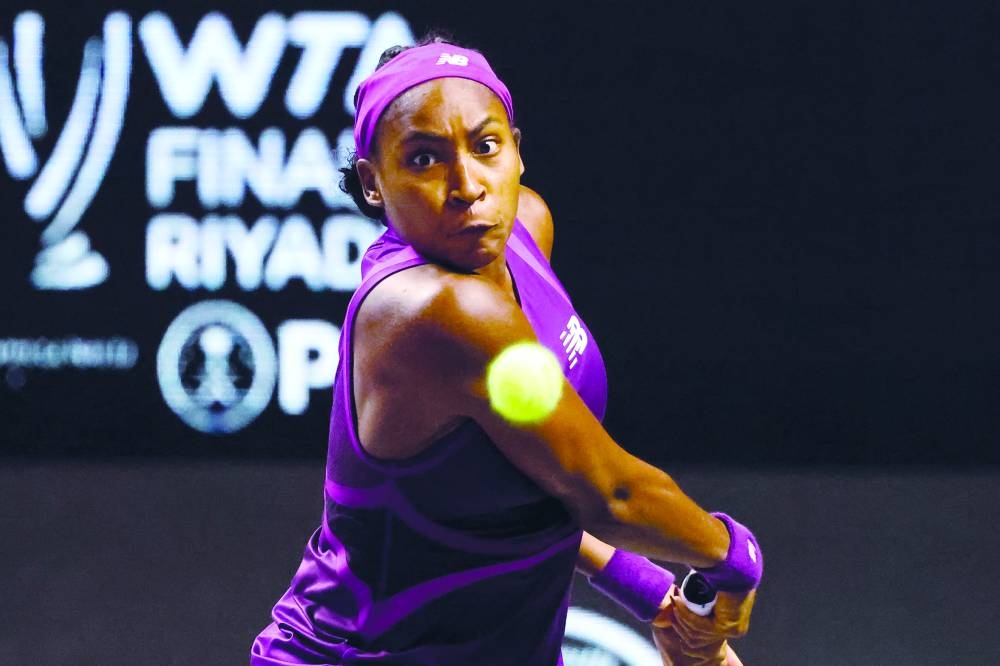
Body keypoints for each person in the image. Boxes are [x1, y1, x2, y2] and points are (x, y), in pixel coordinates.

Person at [251, 33, 762, 665]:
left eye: (485, 146)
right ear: (373, 184)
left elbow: (526, 471)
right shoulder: (440, 313)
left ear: (516, 152)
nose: (467, 184)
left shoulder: (525, 229)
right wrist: (732, 557)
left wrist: (649, 589)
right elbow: (610, 493)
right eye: (423, 160)